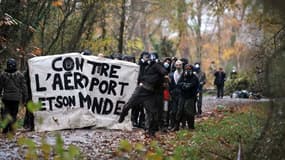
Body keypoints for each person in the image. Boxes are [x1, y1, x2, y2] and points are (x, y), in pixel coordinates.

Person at [118, 52, 168, 137]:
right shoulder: (150, 67)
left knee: (153, 113)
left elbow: (164, 73)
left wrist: (164, 79)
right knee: (130, 104)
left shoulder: (156, 66)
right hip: (142, 89)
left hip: (149, 93)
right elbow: (164, 72)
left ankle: (151, 132)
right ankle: (123, 114)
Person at [0, 58, 28, 134]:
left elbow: (0, 86)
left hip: (6, 98)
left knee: (6, 113)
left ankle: (5, 129)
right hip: (16, 98)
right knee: (13, 114)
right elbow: (24, 87)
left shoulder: (3, 75)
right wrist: (25, 98)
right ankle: (12, 130)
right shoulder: (20, 75)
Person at [172, 64, 199, 131]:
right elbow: (178, 84)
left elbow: (193, 85)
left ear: (192, 70)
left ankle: (191, 126)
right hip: (182, 96)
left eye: (189, 69)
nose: (187, 71)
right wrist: (184, 84)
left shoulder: (194, 77)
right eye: (186, 69)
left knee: (189, 111)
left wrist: (187, 85)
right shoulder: (183, 76)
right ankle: (176, 126)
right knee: (179, 111)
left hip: (190, 97)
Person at [168, 60, 183, 130]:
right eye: (177, 65)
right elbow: (169, 85)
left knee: (180, 110)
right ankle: (173, 125)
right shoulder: (171, 74)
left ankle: (180, 124)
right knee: (173, 111)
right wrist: (170, 93)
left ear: (182, 65)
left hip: (182, 95)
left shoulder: (184, 74)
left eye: (180, 65)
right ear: (175, 66)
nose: (178, 66)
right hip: (173, 95)